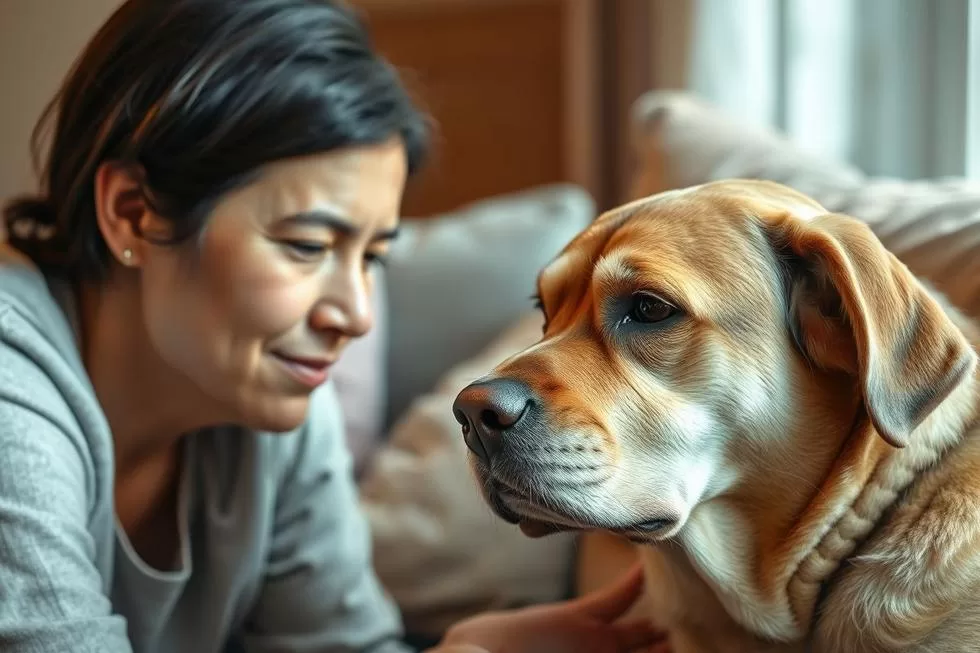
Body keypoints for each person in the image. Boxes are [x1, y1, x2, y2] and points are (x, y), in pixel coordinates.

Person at [0, 1, 667, 652]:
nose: (355, 315)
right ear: (132, 212)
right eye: (308, 246)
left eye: (371, 257)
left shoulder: (270, 399)